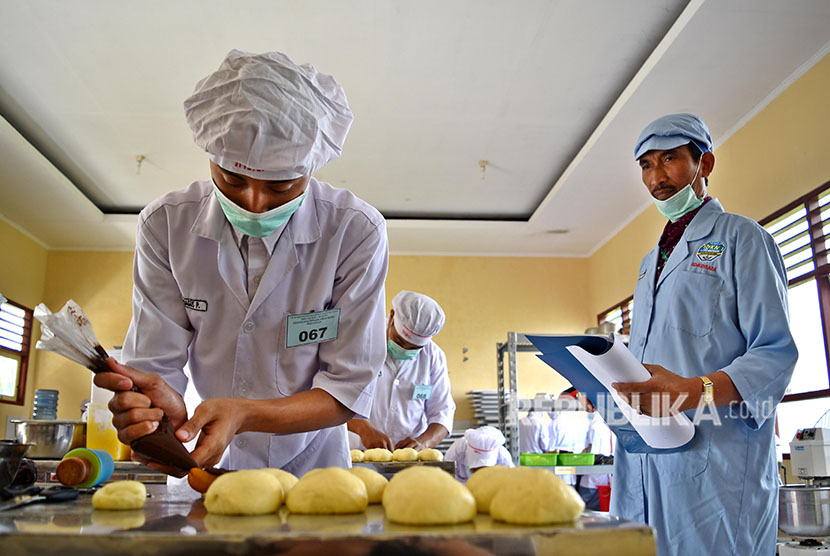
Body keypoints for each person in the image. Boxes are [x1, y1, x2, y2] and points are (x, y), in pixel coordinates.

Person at [94, 50, 389, 476]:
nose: (253, 203)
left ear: (311, 168)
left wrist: (245, 414)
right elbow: (154, 367)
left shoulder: (354, 231)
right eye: (233, 179)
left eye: (282, 185)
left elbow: (348, 386)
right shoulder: (166, 225)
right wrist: (155, 414)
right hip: (209, 467)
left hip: (316, 469)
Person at [611, 113, 798, 556]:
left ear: (705, 164)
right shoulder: (649, 262)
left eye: (670, 159)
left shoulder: (741, 238)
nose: (657, 177)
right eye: (646, 164)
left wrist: (695, 390)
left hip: (716, 464)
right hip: (647, 456)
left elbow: (775, 354)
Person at [347, 291, 455, 451]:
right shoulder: (360, 342)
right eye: (399, 341)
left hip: (407, 458)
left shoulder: (433, 355)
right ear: (391, 316)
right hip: (357, 448)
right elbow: (334, 397)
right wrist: (363, 429)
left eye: (414, 348)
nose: (404, 350)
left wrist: (423, 442)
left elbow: (442, 412)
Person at [577, 392, 614, 511]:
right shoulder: (605, 425)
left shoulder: (596, 425)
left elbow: (589, 450)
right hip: (603, 478)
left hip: (594, 478)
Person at [444, 426, 514, 482]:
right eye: (475, 468)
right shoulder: (456, 451)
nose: (479, 472)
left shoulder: (503, 457)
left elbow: (511, 481)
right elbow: (446, 480)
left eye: (484, 468)